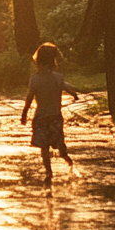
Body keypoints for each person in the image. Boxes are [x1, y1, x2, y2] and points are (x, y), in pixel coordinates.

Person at [21, 42, 78, 187]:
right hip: (55, 117)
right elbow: (67, 87)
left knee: (44, 148)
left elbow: (29, 98)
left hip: (40, 117)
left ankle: (48, 172)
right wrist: (75, 95)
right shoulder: (58, 78)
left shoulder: (34, 79)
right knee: (60, 148)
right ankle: (71, 165)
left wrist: (24, 114)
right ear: (53, 60)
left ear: (38, 60)